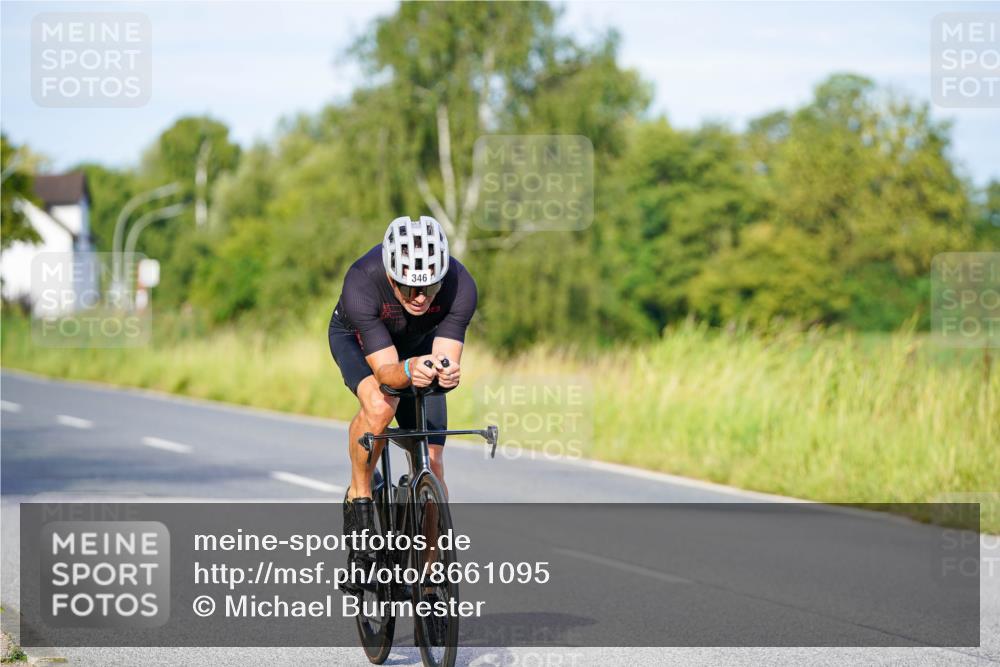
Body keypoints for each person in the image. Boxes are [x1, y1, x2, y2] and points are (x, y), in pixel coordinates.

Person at [328, 215, 477, 539]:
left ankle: (428, 578)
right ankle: (360, 496)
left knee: (433, 465)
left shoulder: (461, 284)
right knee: (381, 407)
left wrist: (447, 372)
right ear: (392, 278)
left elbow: (446, 357)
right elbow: (386, 374)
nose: (421, 297)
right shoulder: (362, 281)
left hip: (419, 346)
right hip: (360, 340)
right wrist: (410, 369)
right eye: (410, 287)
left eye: (431, 286)